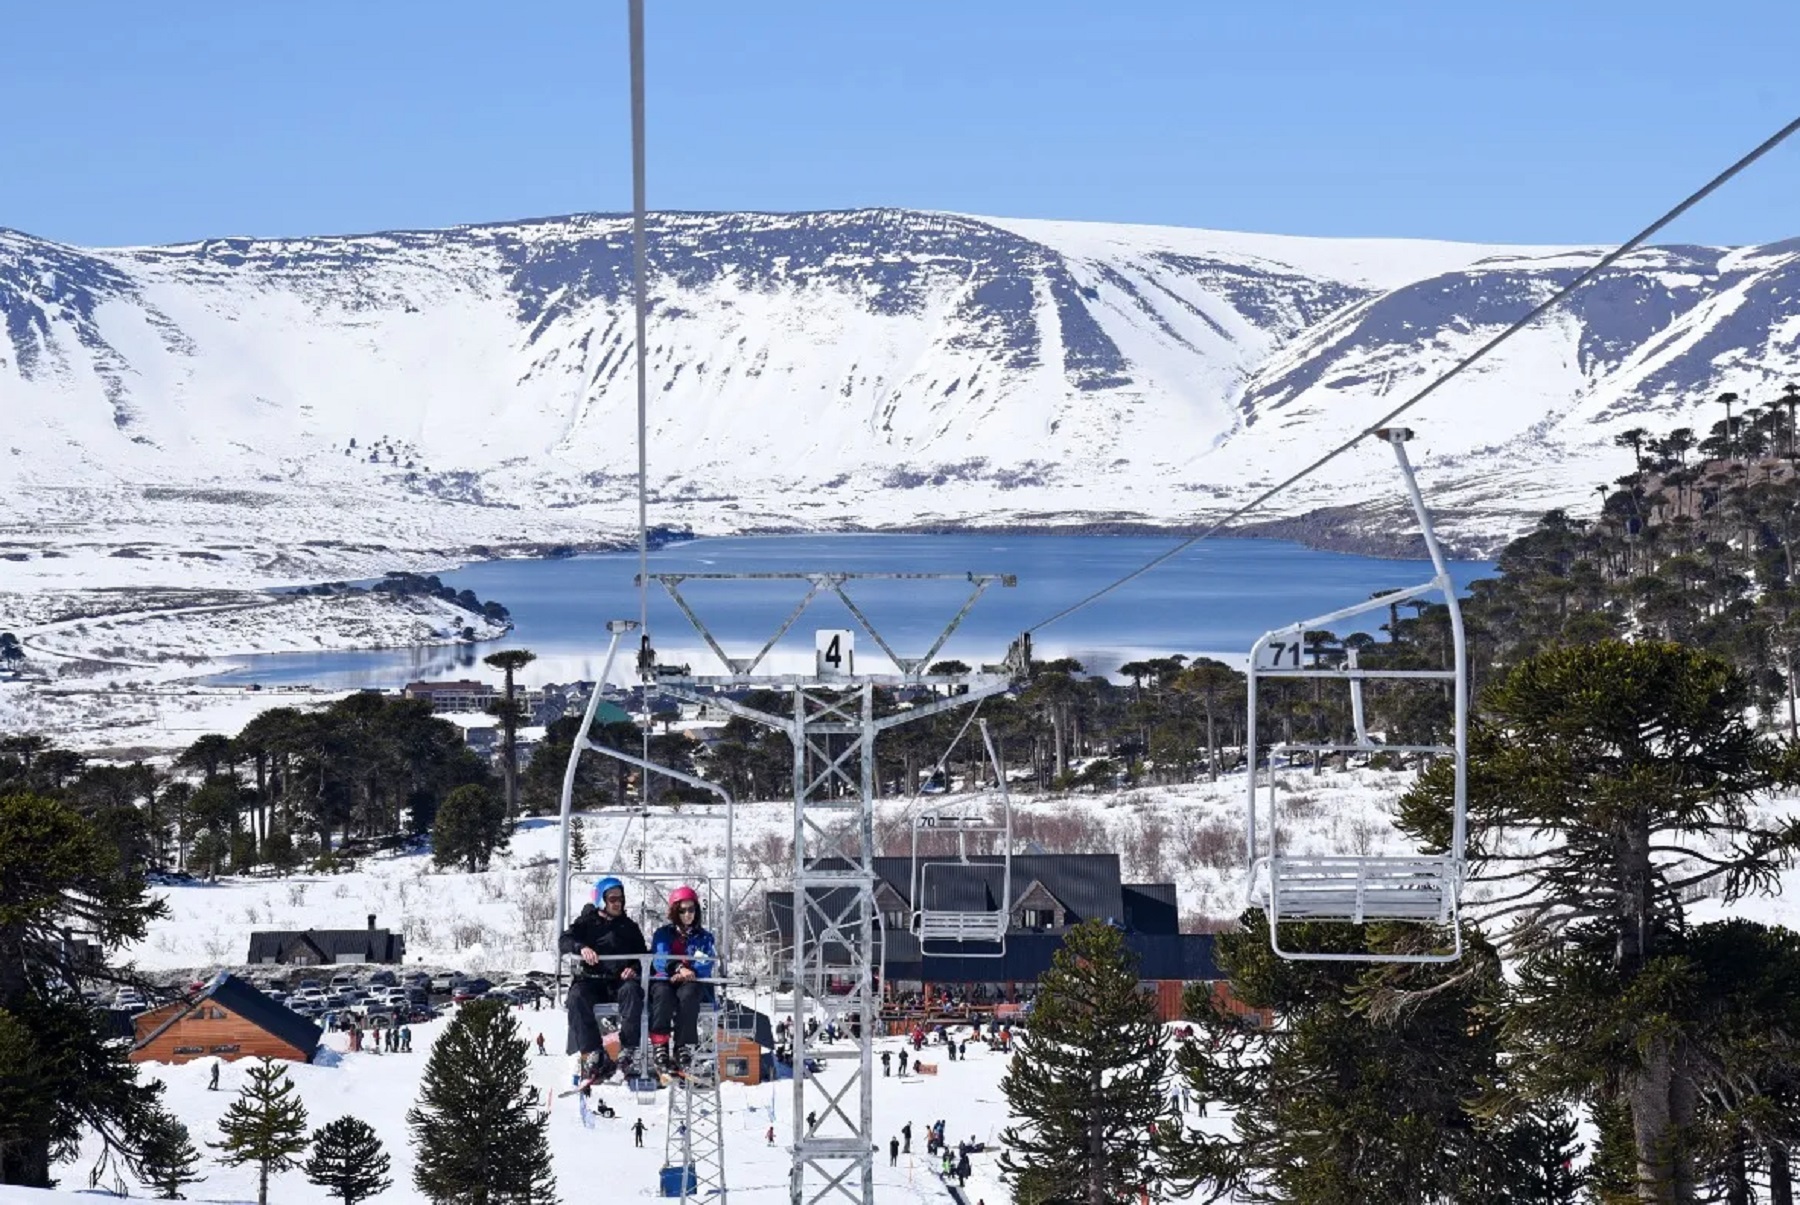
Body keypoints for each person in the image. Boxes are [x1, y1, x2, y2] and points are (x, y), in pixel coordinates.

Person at [560, 876, 648, 1082]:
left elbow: (643, 956)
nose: (618, 903)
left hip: (618, 982)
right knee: (576, 997)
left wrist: (633, 969)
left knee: (633, 992)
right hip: (592, 980)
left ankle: (628, 1049)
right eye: (613, 899)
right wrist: (581, 948)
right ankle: (593, 1051)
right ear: (601, 900)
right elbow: (565, 940)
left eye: (621, 899)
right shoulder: (586, 923)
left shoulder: (629, 927)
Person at [647, 885, 717, 1074]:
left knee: (689, 994)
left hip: (691, 980)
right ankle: (660, 1044)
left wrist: (689, 972)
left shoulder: (704, 937)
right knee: (662, 994)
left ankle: (682, 1045)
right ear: (675, 912)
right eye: (683, 910)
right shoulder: (663, 934)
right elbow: (660, 958)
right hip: (666, 978)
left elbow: (705, 962)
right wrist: (678, 968)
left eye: (691, 909)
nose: (688, 914)